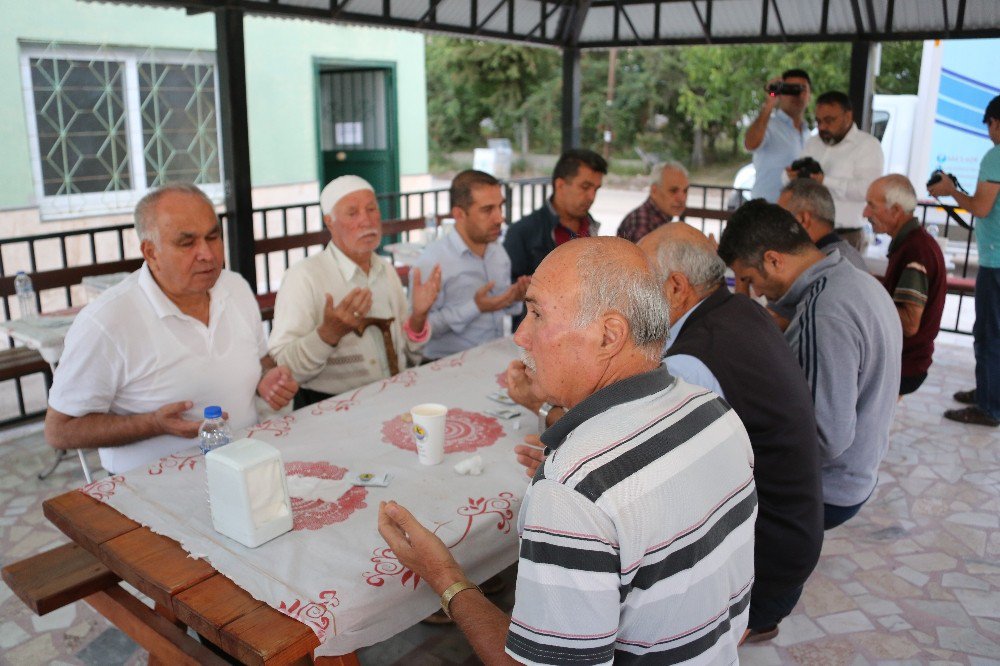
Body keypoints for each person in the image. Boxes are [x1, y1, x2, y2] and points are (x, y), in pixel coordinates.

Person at [378, 237, 756, 664]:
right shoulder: (715, 413)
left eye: (537, 313)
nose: (521, 335)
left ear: (609, 335)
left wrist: (444, 577)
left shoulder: (574, 487)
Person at [634, 223, 823, 644]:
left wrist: (553, 411)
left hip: (767, 562)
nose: (631, 299)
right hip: (796, 533)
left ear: (676, 288)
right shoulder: (740, 309)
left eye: (640, 285)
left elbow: (643, 468)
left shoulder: (693, 363)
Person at [44, 184, 298, 475]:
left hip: (246, 465)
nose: (207, 254)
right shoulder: (107, 321)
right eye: (186, 243)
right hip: (149, 488)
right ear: (150, 252)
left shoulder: (235, 287)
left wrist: (267, 379)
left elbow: (261, 359)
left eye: (213, 237)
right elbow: (59, 430)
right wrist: (152, 424)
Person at [718, 200, 901, 530]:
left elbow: (825, 436)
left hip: (827, 490)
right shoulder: (856, 280)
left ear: (774, 259)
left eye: (750, 278)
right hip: (860, 472)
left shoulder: (825, 311)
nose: (756, 291)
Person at [268, 176, 441, 406]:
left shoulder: (386, 271)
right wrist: (328, 334)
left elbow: (409, 358)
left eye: (372, 209)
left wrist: (418, 318)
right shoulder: (305, 277)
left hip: (391, 399)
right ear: (329, 221)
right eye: (352, 213)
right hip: (329, 408)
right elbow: (284, 366)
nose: (366, 220)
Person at [928, 94, 1000, 427]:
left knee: (988, 333)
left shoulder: (995, 156)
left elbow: (981, 208)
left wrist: (949, 191)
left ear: (995, 122)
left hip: (996, 260)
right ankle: (990, 391)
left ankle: (989, 406)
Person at [413, 170, 529, 360]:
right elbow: (420, 331)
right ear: (459, 214)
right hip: (446, 365)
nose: (500, 218)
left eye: (500, 207)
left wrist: (514, 297)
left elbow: (502, 311)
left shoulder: (498, 253)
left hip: (493, 357)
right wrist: (475, 307)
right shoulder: (433, 261)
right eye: (487, 210)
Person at [865, 174, 946, 397]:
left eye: (872, 206)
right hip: (907, 360)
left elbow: (910, 323)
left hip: (905, 364)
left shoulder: (916, 251)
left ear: (896, 211)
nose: (865, 213)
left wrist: (869, 292)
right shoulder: (913, 243)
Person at [793, 91, 884, 254]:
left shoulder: (868, 146)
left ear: (847, 117)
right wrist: (791, 177)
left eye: (829, 120)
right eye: (819, 121)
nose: (822, 127)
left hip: (847, 235)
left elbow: (867, 191)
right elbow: (791, 182)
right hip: (808, 233)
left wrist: (825, 181)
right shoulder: (813, 143)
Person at [502, 149, 607, 282]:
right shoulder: (522, 233)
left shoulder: (591, 228)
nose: (592, 197)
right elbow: (509, 290)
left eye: (596, 189)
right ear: (560, 185)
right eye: (585, 187)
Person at [744, 69, 812, 202]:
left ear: (809, 95)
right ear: (781, 93)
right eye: (790, 89)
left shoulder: (808, 134)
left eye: (801, 89)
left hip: (795, 212)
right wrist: (770, 101)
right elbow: (750, 144)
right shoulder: (768, 125)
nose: (796, 94)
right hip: (767, 210)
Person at [778, 178, 868, 271]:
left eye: (781, 218)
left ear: (803, 220)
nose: (777, 226)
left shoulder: (828, 264)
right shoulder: (842, 255)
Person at [615, 161, 689, 242]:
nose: (682, 198)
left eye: (685, 191)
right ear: (654, 191)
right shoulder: (642, 223)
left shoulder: (658, 219)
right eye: (673, 191)